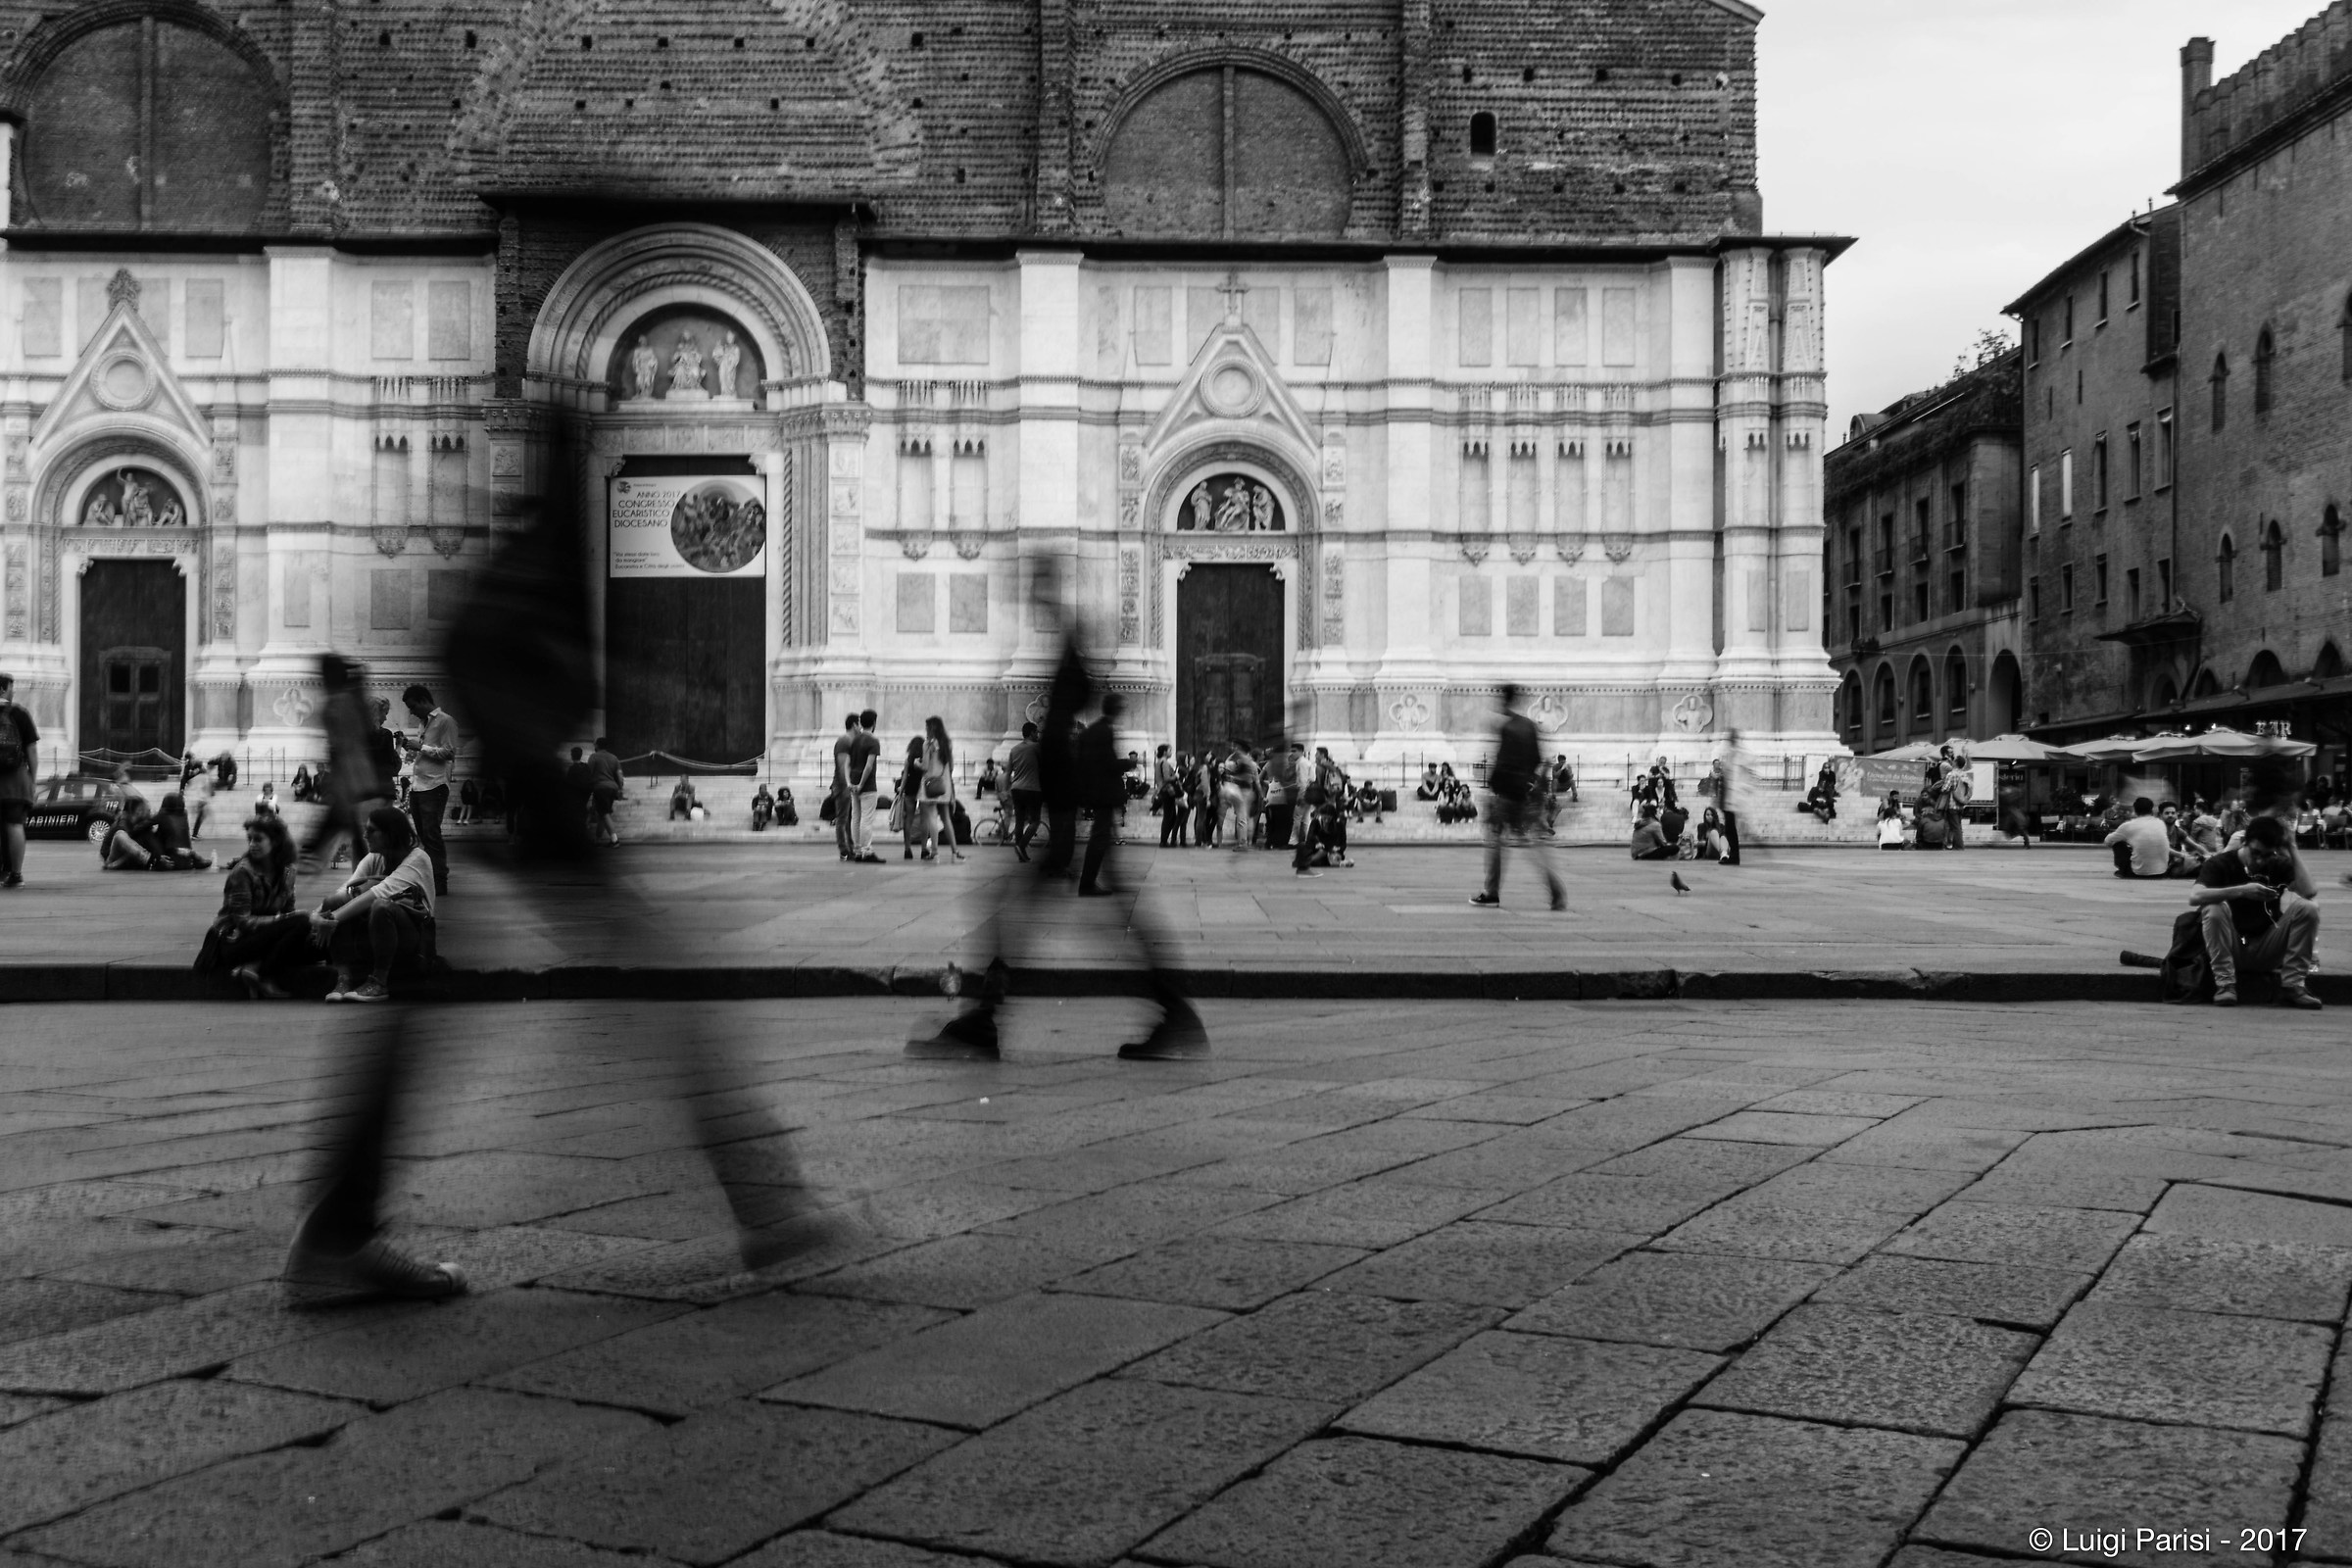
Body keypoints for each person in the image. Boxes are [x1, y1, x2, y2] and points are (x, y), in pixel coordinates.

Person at [909, 591, 1205, 1063]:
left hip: (1064, 829)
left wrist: (1057, 604)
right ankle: (986, 1017)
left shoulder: (1070, 690)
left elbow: (1075, 659)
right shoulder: (1070, 697)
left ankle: (987, 1018)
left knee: (1063, 919)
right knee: (1070, 920)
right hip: (1064, 826)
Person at [2193, 814, 2321, 1008]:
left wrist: (2292, 849)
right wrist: (2242, 890)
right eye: (2255, 853)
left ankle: (2293, 985)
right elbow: (2195, 897)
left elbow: (2309, 891)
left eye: (2267, 855)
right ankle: (2225, 984)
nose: (2260, 860)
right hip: (2232, 945)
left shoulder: (2277, 864)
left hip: (2268, 947)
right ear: (2244, 842)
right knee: (2213, 907)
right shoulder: (2220, 863)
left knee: (2309, 907)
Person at [314, 809, 435, 1004]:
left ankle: (379, 982)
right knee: (333, 901)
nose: (364, 836)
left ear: (390, 833)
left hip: (414, 938)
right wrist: (317, 915)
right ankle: (344, 979)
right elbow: (344, 891)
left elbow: (378, 893)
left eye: (371, 831)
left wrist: (331, 919)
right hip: (375, 933)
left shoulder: (418, 858)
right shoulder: (375, 857)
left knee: (381, 906)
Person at [1470, 683, 1565, 910]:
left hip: (1505, 795)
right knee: (1532, 843)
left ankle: (1491, 892)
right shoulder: (1529, 726)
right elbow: (1536, 759)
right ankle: (1555, 888)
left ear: (1505, 701)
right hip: (1524, 793)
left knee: (1494, 841)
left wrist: (1493, 784)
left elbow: (1501, 762)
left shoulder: (1507, 727)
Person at [198, 814, 314, 999]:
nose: (252, 844)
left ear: (276, 842)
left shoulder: (288, 870)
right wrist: (283, 921)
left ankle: (253, 967)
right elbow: (243, 921)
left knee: (314, 941)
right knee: (302, 921)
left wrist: (298, 924)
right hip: (233, 940)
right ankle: (264, 975)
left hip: (261, 937)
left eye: (258, 839)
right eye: (250, 839)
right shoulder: (243, 871)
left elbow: (288, 910)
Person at [393, 684, 458, 897]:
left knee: (431, 835)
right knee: (424, 836)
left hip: (435, 785)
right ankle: (429, 879)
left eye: (412, 707)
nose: (411, 712)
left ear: (423, 700)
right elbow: (424, 755)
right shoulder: (423, 724)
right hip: (419, 785)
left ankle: (440, 881)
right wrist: (407, 747)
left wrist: (421, 747)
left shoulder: (445, 721)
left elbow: (448, 753)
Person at [0, 671, 34, 890]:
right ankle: (15, 873)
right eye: (11, 688)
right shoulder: (20, 714)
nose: (13, 692)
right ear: (3, 689)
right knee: (14, 825)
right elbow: (32, 751)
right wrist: (33, 778)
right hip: (15, 781)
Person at [918, 715, 965, 862]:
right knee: (946, 819)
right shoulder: (947, 743)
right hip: (944, 785)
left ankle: (935, 852)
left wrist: (915, 763)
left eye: (927, 727)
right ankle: (955, 852)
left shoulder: (928, 744)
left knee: (931, 817)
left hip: (930, 785)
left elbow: (925, 766)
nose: (925, 729)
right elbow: (951, 766)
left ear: (931, 728)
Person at [1005, 720, 1044, 863]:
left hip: (1016, 788)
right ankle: (1021, 846)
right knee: (1035, 821)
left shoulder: (1014, 749)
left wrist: (1005, 790)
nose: (1038, 734)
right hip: (1033, 788)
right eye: (1037, 732)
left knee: (1019, 822)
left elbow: (1008, 772)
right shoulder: (1036, 747)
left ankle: (1021, 853)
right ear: (1032, 733)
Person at [2106, 797, 2171, 879]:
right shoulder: (2160, 823)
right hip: (2161, 872)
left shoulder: (2128, 826)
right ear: (2151, 810)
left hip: (2138, 873)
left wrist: (2122, 836)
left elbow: (2108, 841)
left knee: (2118, 843)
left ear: (2135, 810)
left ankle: (2124, 871)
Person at [830, 712, 861, 859]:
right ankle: (844, 849)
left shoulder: (850, 741)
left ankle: (850, 847)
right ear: (855, 725)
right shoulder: (844, 741)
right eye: (859, 723)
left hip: (848, 786)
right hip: (843, 786)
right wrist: (847, 786)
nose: (861, 727)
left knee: (849, 818)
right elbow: (842, 767)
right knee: (843, 818)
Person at [1219, 738, 1258, 852]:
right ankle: (1243, 842)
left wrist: (1233, 777)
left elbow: (1246, 777)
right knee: (1243, 818)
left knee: (1242, 818)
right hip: (1243, 791)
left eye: (1236, 746)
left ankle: (1243, 843)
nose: (1234, 748)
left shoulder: (1244, 760)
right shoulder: (1241, 759)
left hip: (1244, 791)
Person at [586, 736, 625, 845]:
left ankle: (615, 840)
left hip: (600, 787)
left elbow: (589, 773)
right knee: (602, 815)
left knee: (605, 813)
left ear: (597, 745)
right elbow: (620, 775)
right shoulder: (614, 758)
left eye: (595, 744)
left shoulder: (593, 757)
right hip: (613, 788)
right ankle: (597, 839)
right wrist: (620, 790)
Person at [1263, 742, 1300, 850]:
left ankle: (1271, 842)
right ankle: (1280, 842)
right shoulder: (1285, 763)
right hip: (1284, 797)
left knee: (1273, 821)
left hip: (1273, 797)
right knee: (1284, 821)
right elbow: (1286, 778)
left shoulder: (1270, 762)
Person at [897, 735, 926, 859]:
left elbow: (904, 777)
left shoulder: (909, 759)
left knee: (908, 820)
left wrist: (900, 791)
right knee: (924, 820)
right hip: (923, 790)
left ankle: (907, 849)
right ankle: (924, 849)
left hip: (910, 790)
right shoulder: (926, 759)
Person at [1154, 744, 1186, 848]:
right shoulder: (1164, 763)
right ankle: (1163, 841)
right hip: (1167, 791)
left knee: (1171, 817)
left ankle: (1164, 840)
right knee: (1169, 817)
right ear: (1164, 752)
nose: (1171, 753)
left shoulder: (1159, 762)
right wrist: (1175, 776)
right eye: (1170, 750)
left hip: (1165, 791)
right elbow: (1167, 778)